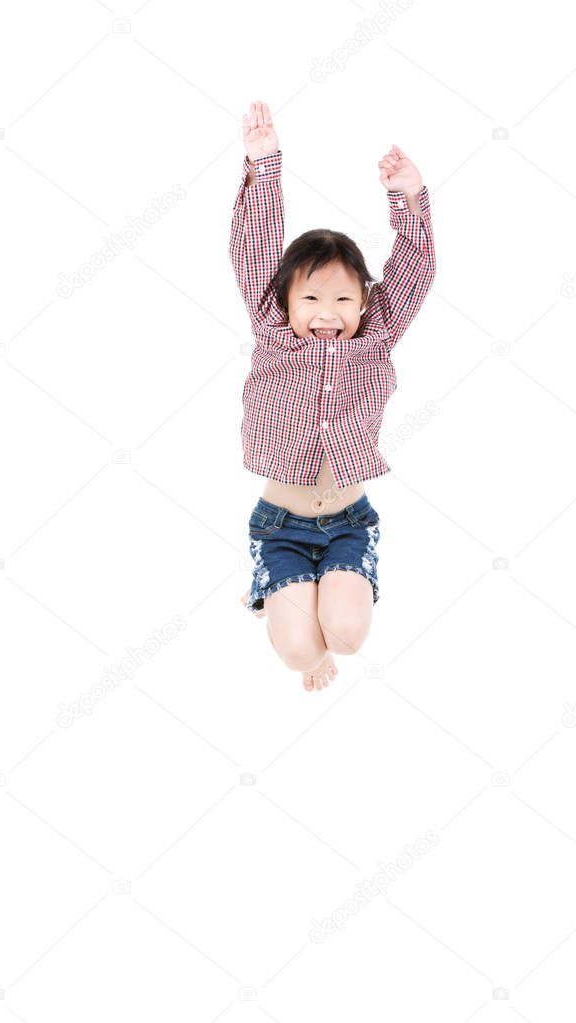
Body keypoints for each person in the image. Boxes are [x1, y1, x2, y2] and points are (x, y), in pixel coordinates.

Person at [230, 99, 436, 693]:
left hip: (349, 520)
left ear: (365, 303)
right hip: (281, 524)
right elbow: (256, 248)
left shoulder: (377, 337)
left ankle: (312, 596)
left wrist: (409, 196)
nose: (327, 314)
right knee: (303, 654)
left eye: (343, 299)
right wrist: (264, 161)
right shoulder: (273, 335)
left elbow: (415, 269)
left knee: (345, 637)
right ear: (285, 303)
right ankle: (274, 585)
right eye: (311, 300)